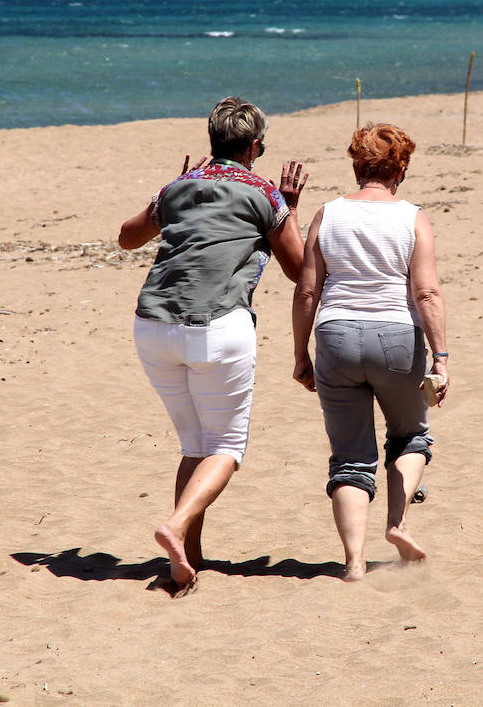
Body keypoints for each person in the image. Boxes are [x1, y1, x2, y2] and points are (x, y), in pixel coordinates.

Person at [118, 97, 307, 593]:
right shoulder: (265, 193)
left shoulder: (178, 186)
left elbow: (127, 238)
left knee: (194, 445)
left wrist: (170, 191)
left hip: (152, 326)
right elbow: (297, 269)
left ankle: (189, 560)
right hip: (218, 327)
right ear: (255, 146)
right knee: (225, 446)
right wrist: (288, 211)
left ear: (212, 141)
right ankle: (177, 527)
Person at [291, 123, 449, 581]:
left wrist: (301, 353)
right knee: (409, 437)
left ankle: (355, 562)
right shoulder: (412, 217)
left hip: (336, 336)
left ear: (357, 165)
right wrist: (441, 357)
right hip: (396, 337)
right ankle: (397, 524)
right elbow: (426, 293)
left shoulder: (328, 214)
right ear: (401, 167)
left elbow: (306, 292)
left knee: (349, 457)